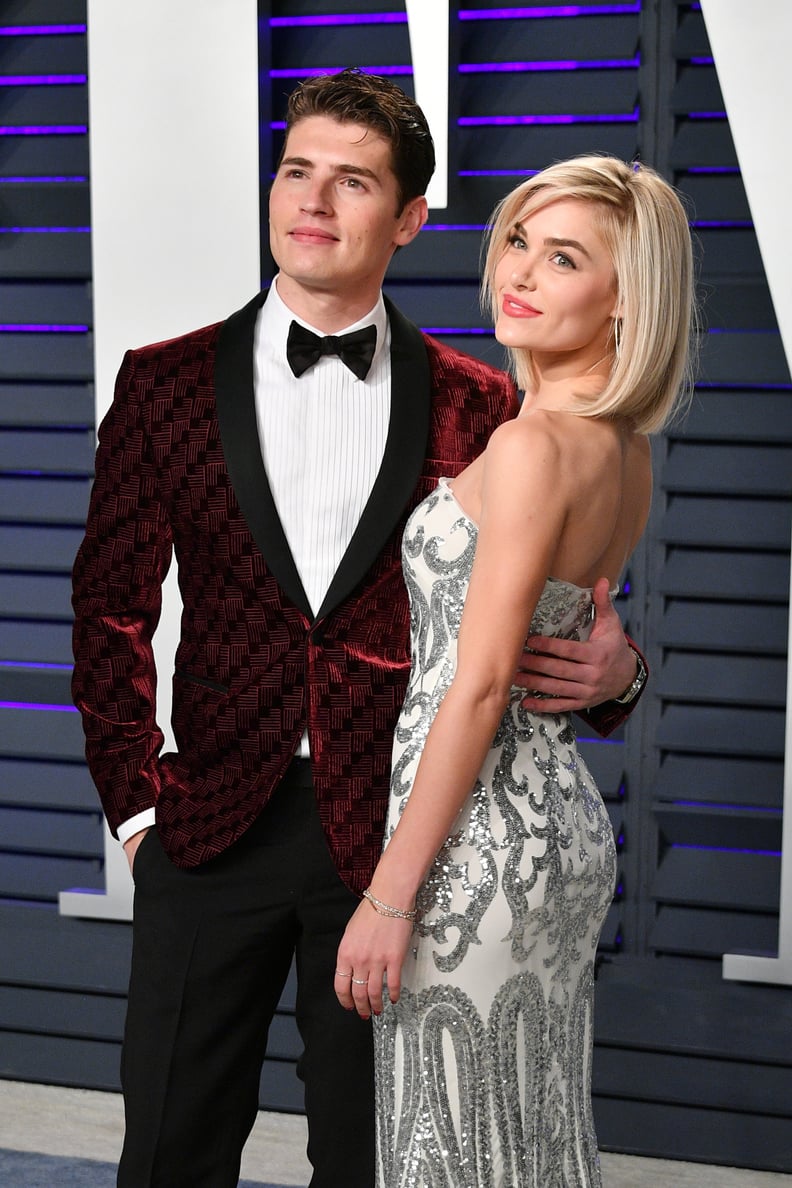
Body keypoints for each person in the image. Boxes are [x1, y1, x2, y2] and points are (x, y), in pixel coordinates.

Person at [71, 69, 645, 1188]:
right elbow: (108, 609)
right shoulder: (162, 384)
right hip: (208, 830)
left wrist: (619, 677)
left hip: (398, 839)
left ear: (411, 219)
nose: (314, 202)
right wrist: (140, 814)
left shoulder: (492, 403)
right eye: (297, 172)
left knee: (377, 1157)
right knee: (168, 1153)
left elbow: (564, 608)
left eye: (353, 181)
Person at [335, 154, 695, 1187]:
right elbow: (586, 634)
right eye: (519, 242)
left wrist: (390, 897)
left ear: (626, 297)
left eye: (565, 257)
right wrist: (618, 667)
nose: (520, 273)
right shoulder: (624, 447)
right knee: (531, 1144)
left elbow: (484, 685)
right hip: (562, 838)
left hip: (476, 850)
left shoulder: (538, 445)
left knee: (447, 1151)